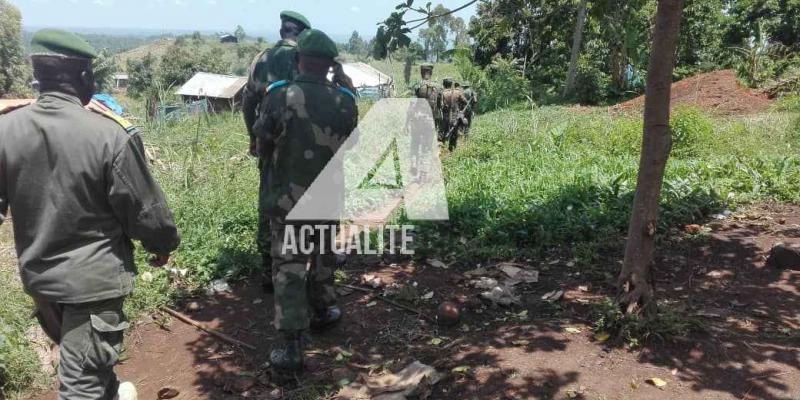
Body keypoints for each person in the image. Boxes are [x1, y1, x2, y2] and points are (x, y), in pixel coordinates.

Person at [0, 29, 180, 400]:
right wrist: (161, 244)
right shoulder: (109, 136)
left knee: (86, 361)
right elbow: (145, 209)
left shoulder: (6, 131)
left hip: (42, 281)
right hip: (93, 283)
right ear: (83, 77)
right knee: (80, 384)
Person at [253, 28, 358, 374]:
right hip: (327, 198)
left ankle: (292, 346)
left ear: (299, 60)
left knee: (290, 265)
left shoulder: (279, 96)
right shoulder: (346, 100)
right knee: (323, 255)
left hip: (288, 200)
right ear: (330, 65)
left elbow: (262, 146)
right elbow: (350, 146)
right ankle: (323, 311)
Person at [242, 10, 311, 291]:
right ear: (302, 33)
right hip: (302, 146)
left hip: (268, 142)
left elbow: (248, 103)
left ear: (283, 31)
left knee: (269, 199)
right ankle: (298, 265)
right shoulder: (307, 60)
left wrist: (253, 138)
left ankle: (267, 268)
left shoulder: (261, 59)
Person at [413, 64, 443, 138]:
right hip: (433, 116)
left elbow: (412, 103)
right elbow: (440, 105)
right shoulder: (438, 86)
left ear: (421, 72)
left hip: (420, 116)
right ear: (431, 73)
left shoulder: (417, 86)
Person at [441, 77, 468, 150]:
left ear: (444, 85)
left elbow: (439, 106)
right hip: (454, 118)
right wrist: (460, 111)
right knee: (454, 135)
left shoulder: (442, 93)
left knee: (443, 134)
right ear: (452, 84)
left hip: (444, 118)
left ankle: (441, 149)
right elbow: (465, 102)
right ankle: (451, 151)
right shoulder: (457, 93)